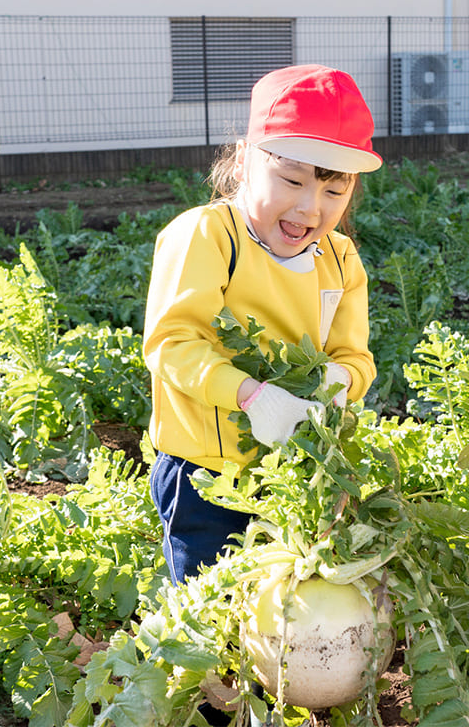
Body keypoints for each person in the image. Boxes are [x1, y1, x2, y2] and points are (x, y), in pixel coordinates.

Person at [144, 64, 380, 586]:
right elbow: (171, 342)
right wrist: (252, 396)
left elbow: (355, 358)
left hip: (296, 472)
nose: (308, 207)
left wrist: (338, 385)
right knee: (210, 612)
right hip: (207, 476)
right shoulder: (206, 235)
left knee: (280, 617)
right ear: (247, 160)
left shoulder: (340, 259)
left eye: (333, 193)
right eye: (292, 181)